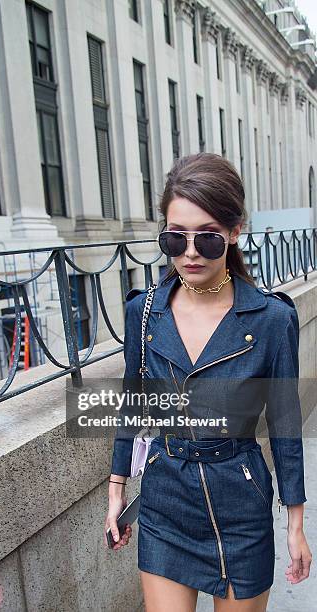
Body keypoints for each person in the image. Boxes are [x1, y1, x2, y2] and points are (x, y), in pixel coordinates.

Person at [104, 153, 312, 611]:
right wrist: (117, 488)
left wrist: (295, 524)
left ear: (235, 232)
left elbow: (285, 426)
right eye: (175, 238)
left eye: (208, 238)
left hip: (240, 501)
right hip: (165, 499)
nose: (191, 252)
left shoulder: (272, 319)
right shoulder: (144, 313)